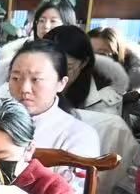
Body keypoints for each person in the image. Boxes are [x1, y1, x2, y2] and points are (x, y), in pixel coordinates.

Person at [8, 39, 102, 181]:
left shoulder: (80, 135)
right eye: (16, 78)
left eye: (36, 79)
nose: (24, 89)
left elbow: (74, 192)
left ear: (61, 83)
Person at [91, 25, 140, 131]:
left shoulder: (135, 91)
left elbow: (129, 124)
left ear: (117, 53)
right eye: (89, 51)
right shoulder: (81, 70)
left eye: (102, 53)